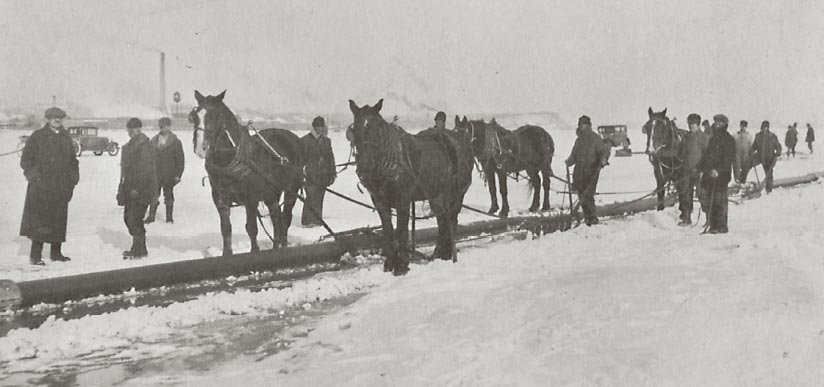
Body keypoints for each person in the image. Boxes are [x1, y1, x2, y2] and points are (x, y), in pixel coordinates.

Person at [19, 107, 79, 265]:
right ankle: (36, 256)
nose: (57, 120)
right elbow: (25, 160)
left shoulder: (66, 138)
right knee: (40, 222)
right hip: (41, 188)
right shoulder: (38, 137)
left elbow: (73, 162)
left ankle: (56, 253)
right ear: (48, 119)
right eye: (53, 117)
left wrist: (73, 180)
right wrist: (35, 178)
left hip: (61, 187)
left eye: (60, 117)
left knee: (58, 220)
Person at [117, 118, 158, 258]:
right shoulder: (129, 146)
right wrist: (121, 189)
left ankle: (138, 249)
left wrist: (137, 189)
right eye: (129, 129)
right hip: (130, 188)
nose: (131, 132)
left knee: (134, 218)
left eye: (134, 129)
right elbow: (124, 170)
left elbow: (144, 170)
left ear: (140, 129)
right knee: (128, 218)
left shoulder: (145, 146)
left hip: (143, 189)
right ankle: (140, 247)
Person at [565, 115, 610, 226]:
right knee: (581, 195)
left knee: (588, 195)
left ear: (588, 125)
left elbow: (604, 151)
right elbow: (574, 154)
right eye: (580, 124)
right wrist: (569, 161)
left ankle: (592, 218)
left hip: (591, 171)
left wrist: (603, 159)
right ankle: (587, 217)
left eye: (583, 124)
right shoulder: (579, 140)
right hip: (579, 172)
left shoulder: (595, 138)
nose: (581, 126)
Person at [696, 114, 735, 234]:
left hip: (722, 175)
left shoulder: (729, 140)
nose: (717, 125)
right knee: (709, 199)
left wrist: (718, 170)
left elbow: (728, 158)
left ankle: (722, 226)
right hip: (710, 174)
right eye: (716, 123)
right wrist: (699, 167)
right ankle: (713, 225)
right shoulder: (713, 139)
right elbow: (707, 156)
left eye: (719, 123)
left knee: (720, 200)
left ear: (725, 125)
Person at [144, 117, 185, 224]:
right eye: (162, 127)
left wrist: (178, 175)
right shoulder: (153, 141)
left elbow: (180, 160)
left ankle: (169, 217)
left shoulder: (175, 142)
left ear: (169, 127)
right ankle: (151, 216)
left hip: (169, 175)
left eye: (166, 126)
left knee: (169, 195)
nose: (164, 129)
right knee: (153, 195)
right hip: (155, 174)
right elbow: (148, 158)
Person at [300, 116, 336, 227]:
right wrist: (302, 174)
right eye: (318, 127)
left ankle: (317, 220)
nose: (320, 129)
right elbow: (301, 159)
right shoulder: (305, 141)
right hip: (310, 175)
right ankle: (307, 221)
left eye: (321, 126)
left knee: (320, 197)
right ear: (314, 127)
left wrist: (332, 173)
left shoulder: (326, 141)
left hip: (323, 175)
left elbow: (330, 157)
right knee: (310, 196)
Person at [675, 113, 709, 226]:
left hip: (699, 172)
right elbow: (681, 153)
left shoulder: (704, 137)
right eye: (689, 124)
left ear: (698, 124)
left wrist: (703, 171)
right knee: (685, 195)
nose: (691, 126)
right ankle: (686, 218)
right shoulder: (686, 137)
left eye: (693, 124)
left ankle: (710, 219)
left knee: (702, 195)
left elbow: (707, 156)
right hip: (686, 172)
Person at [750, 120, 782, 193]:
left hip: (770, 159)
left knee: (769, 174)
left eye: (766, 127)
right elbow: (754, 146)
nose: (765, 129)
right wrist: (751, 151)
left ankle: (769, 190)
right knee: (766, 173)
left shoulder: (772, 136)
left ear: (768, 128)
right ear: (762, 127)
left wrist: (778, 152)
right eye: (764, 127)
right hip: (762, 158)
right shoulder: (758, 136)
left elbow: (778, 146)